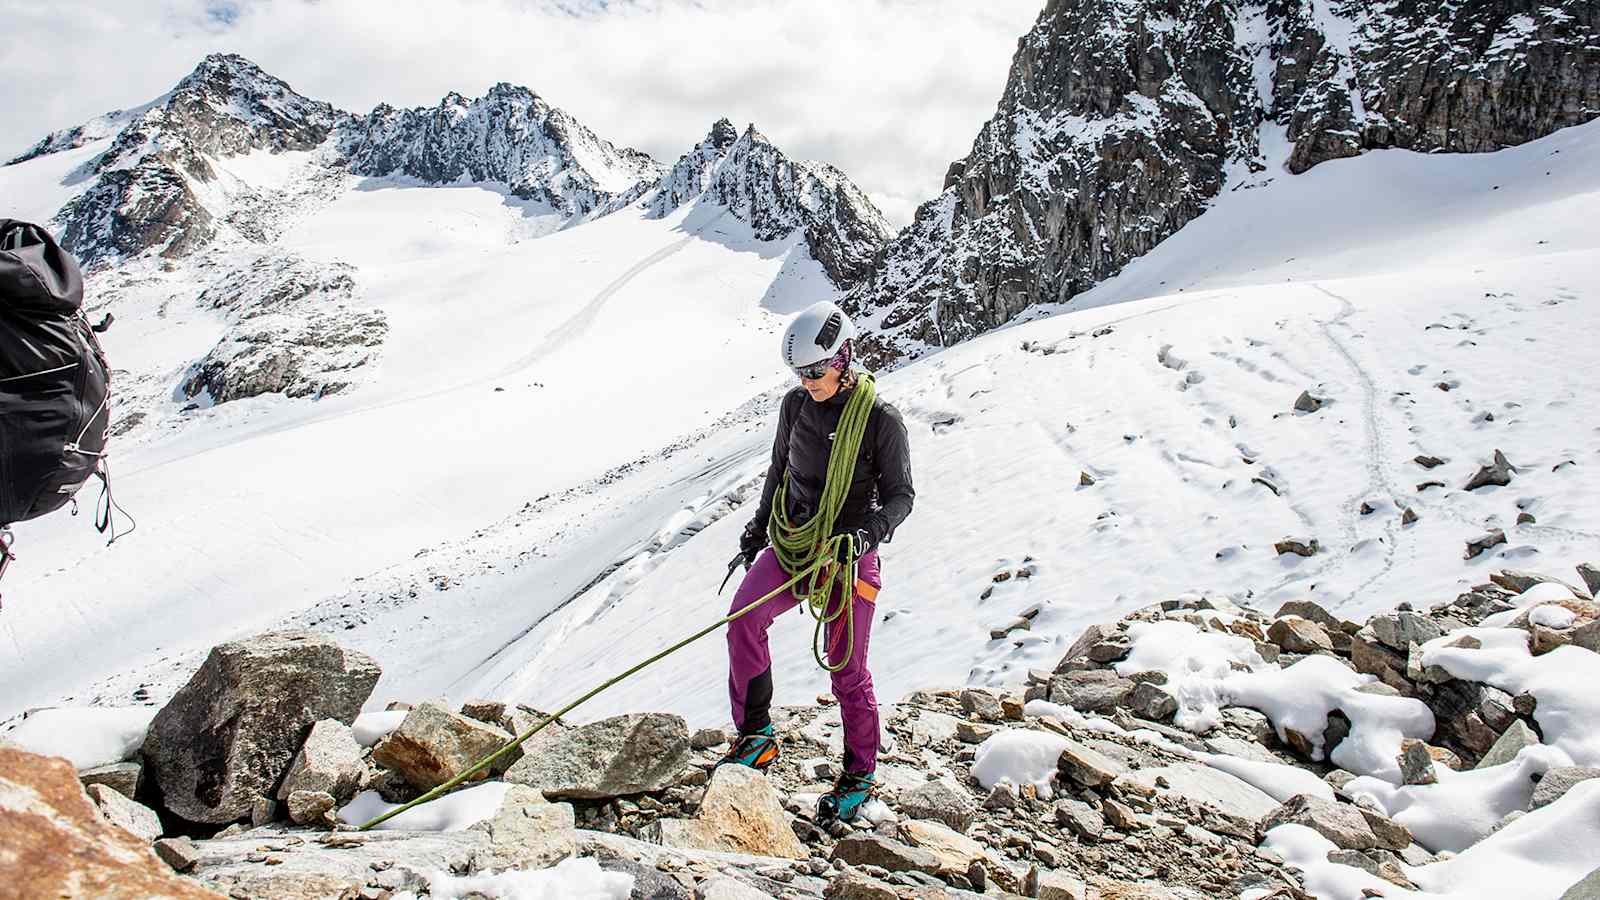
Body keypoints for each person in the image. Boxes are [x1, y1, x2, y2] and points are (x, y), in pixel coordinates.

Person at [721, 300, 914, 824]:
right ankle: (756, 735)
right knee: (744, 618)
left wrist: (866, 534)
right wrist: (758, 528)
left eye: (816, 370)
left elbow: (901, 497)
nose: (808, 381)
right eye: (800, 372)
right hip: (797, 541)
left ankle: (859, 775)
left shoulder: (880, 420)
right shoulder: (795, 407)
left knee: (847, 668)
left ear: (843, 356)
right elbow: (779, 470)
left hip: (849, 554)